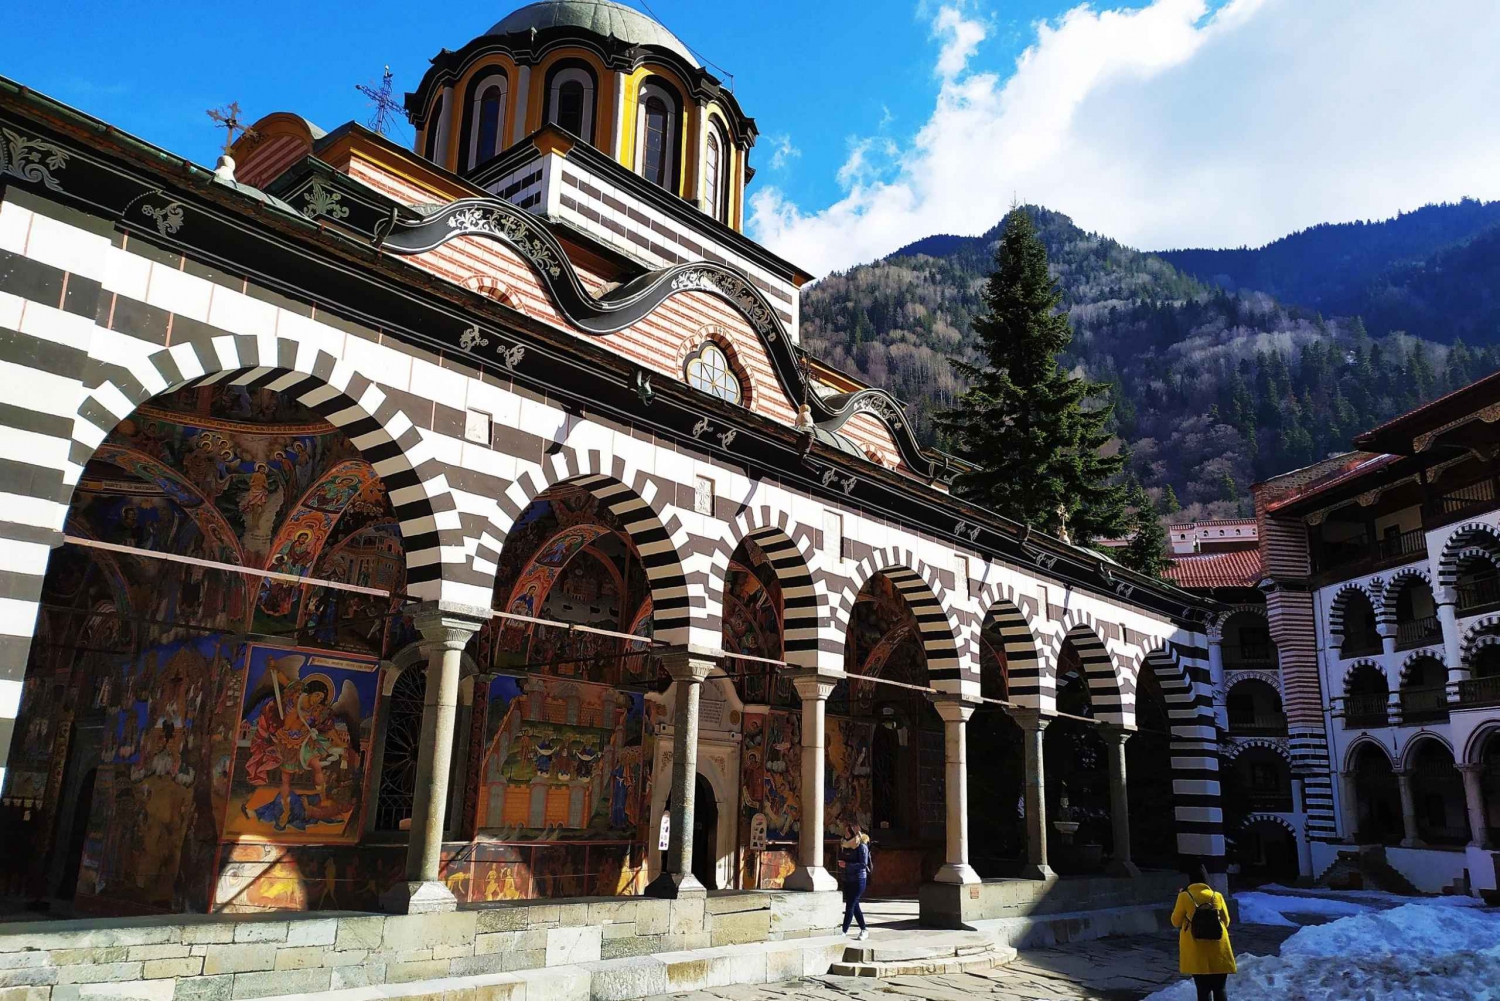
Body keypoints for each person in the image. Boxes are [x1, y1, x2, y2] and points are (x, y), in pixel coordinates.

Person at [1170, 862, 1236, 1001]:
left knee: (1203, 989)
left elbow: (1175, 921)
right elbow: (1227, 921)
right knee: (1220, 988)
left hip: (1196, 948)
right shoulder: (1216, 895)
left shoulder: (1185, 896)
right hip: (1219, 948)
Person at [838, 823, 871, 940]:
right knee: (854, 905)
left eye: (847, 832)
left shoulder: (861, 846)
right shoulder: (845, 844)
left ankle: (843, 931)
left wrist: (847, 865)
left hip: (859, 879)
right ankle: (864, 929)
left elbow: (863, 864)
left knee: (850, 906)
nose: (845, 834)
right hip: (848, 878)